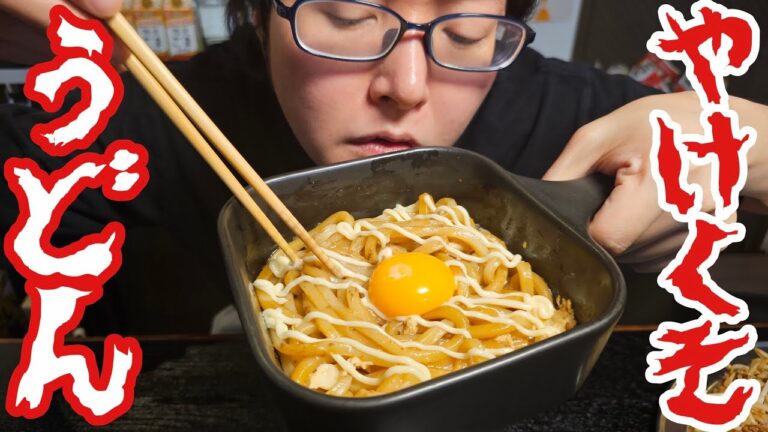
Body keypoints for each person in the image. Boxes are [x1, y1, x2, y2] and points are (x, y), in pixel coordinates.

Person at [0, 0, 766, 335]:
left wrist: (749, 145)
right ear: (264, 10)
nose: (405, 85)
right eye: (348, 16)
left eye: (465, 31)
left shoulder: (575, 116)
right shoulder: (142, 123)